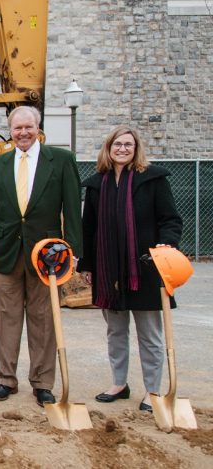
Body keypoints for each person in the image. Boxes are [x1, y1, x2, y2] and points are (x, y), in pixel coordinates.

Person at [0, 105, 82, 407]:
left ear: (38, 128)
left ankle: (42, 382)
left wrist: (73, 251)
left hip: (47, 256)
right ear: (10, 131)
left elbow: (72, 210)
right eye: (17, 128)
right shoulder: (0, 164)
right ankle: (6, 380)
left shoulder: (61, 161)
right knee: (6, 317)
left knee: (44, 319)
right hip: (7, 253)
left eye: (28, 127)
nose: (22, 132)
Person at [78, 126, 182, 412]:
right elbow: (89, 229)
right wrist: (86, 265)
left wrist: (166, 246)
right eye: (117, 144)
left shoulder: (153, 180)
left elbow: (170, 219)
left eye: (128, 145)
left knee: (149, 334)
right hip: (109, 271)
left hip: (146, 271)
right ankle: (119, 383)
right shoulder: (97, 184)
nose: (122, 149)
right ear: (108, 147)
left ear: (136, 149)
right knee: (116, 331)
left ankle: (152, 390)